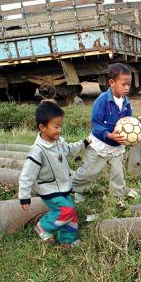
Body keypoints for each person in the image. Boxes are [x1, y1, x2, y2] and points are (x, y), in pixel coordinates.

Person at [19, 100, 89, 247]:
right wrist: (24, 197)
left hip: (63, 187)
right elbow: (27, 175)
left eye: (60, 126)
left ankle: (67, 241)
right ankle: (43, 226)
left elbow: (69, 149)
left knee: (71, 213)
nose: (59, 130)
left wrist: (84, 143)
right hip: (49, 190)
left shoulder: (58, 142)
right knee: (65, 210)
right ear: (42, 127)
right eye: (56, 127)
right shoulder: (37, 150)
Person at [71, 63, 133, 210]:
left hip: (116, 146)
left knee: (118, 173)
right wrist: (108, 134)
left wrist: (130, 134)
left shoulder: (126, 102)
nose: (127, 88)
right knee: (90, 171)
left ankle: (118, 197)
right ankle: (76, 189)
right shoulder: (102, 101)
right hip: (99, 145)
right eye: (124, 84)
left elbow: (128, 121)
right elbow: (96, 123)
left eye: (129, 85)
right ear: (112, 82)